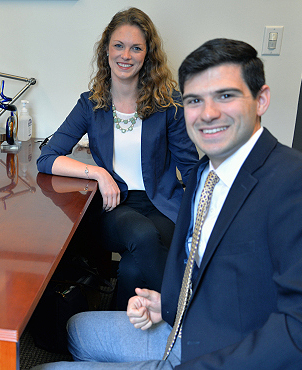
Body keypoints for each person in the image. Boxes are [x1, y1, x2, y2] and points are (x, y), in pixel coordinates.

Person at [33, 38, 302, 369]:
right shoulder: (202, 175)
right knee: (76, 330)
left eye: (225, 96)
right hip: (185, 324)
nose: (208, 113)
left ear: (261, 100)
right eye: (195, 100)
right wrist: (168, 305)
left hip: (223, 354)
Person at [37, 8, 198, 309]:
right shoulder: (91, 104)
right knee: (142, 235)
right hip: (114, 207)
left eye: (136, 47)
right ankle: (187, 313)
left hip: (161, 205)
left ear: (147, 54)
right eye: (119, 46)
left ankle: (114, 339)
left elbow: (191, 170)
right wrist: (99, 174)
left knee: (134, 268)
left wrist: (205, 220)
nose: (126, 55)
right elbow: (47, 157)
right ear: (107, 51)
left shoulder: (169, 104)